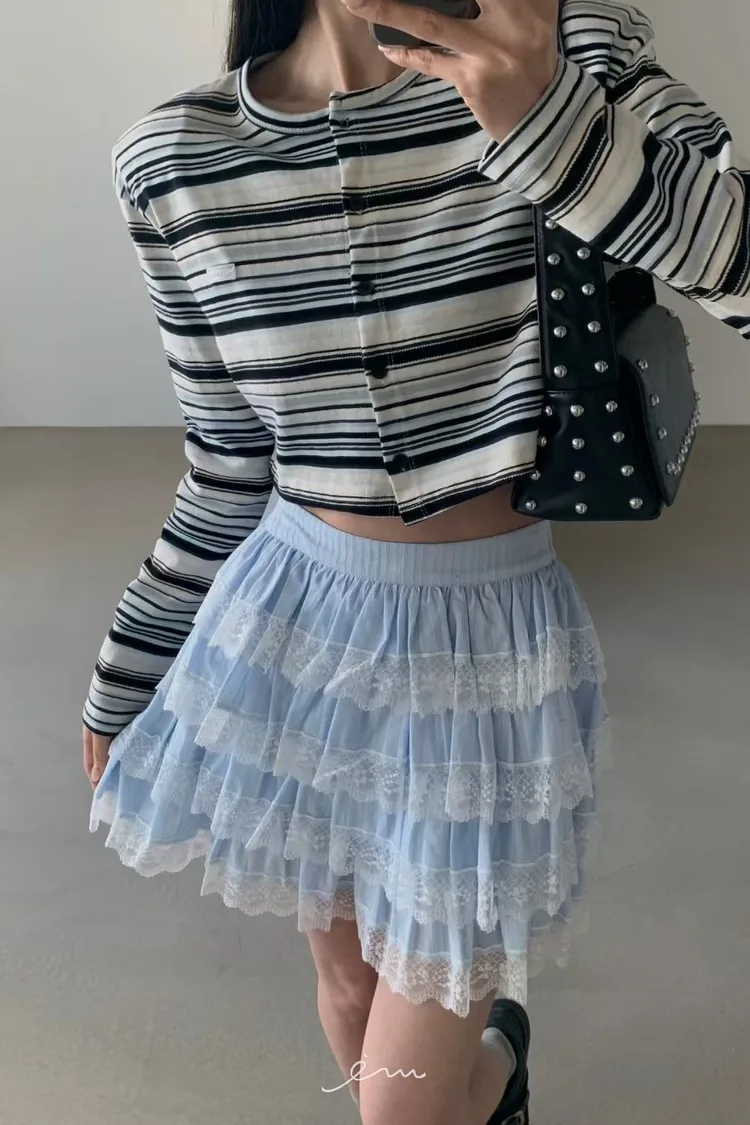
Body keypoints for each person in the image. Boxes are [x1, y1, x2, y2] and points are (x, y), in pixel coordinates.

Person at [82, 1, 750, 1122]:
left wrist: (554, 125)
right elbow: (228, 465)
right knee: (350, 987)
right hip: (291, 628)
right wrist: (131, 660)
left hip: (480, 654)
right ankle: (496, 1086)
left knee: (401, 1108)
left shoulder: (567, 53)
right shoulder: (175, 157)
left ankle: (487, 1074)